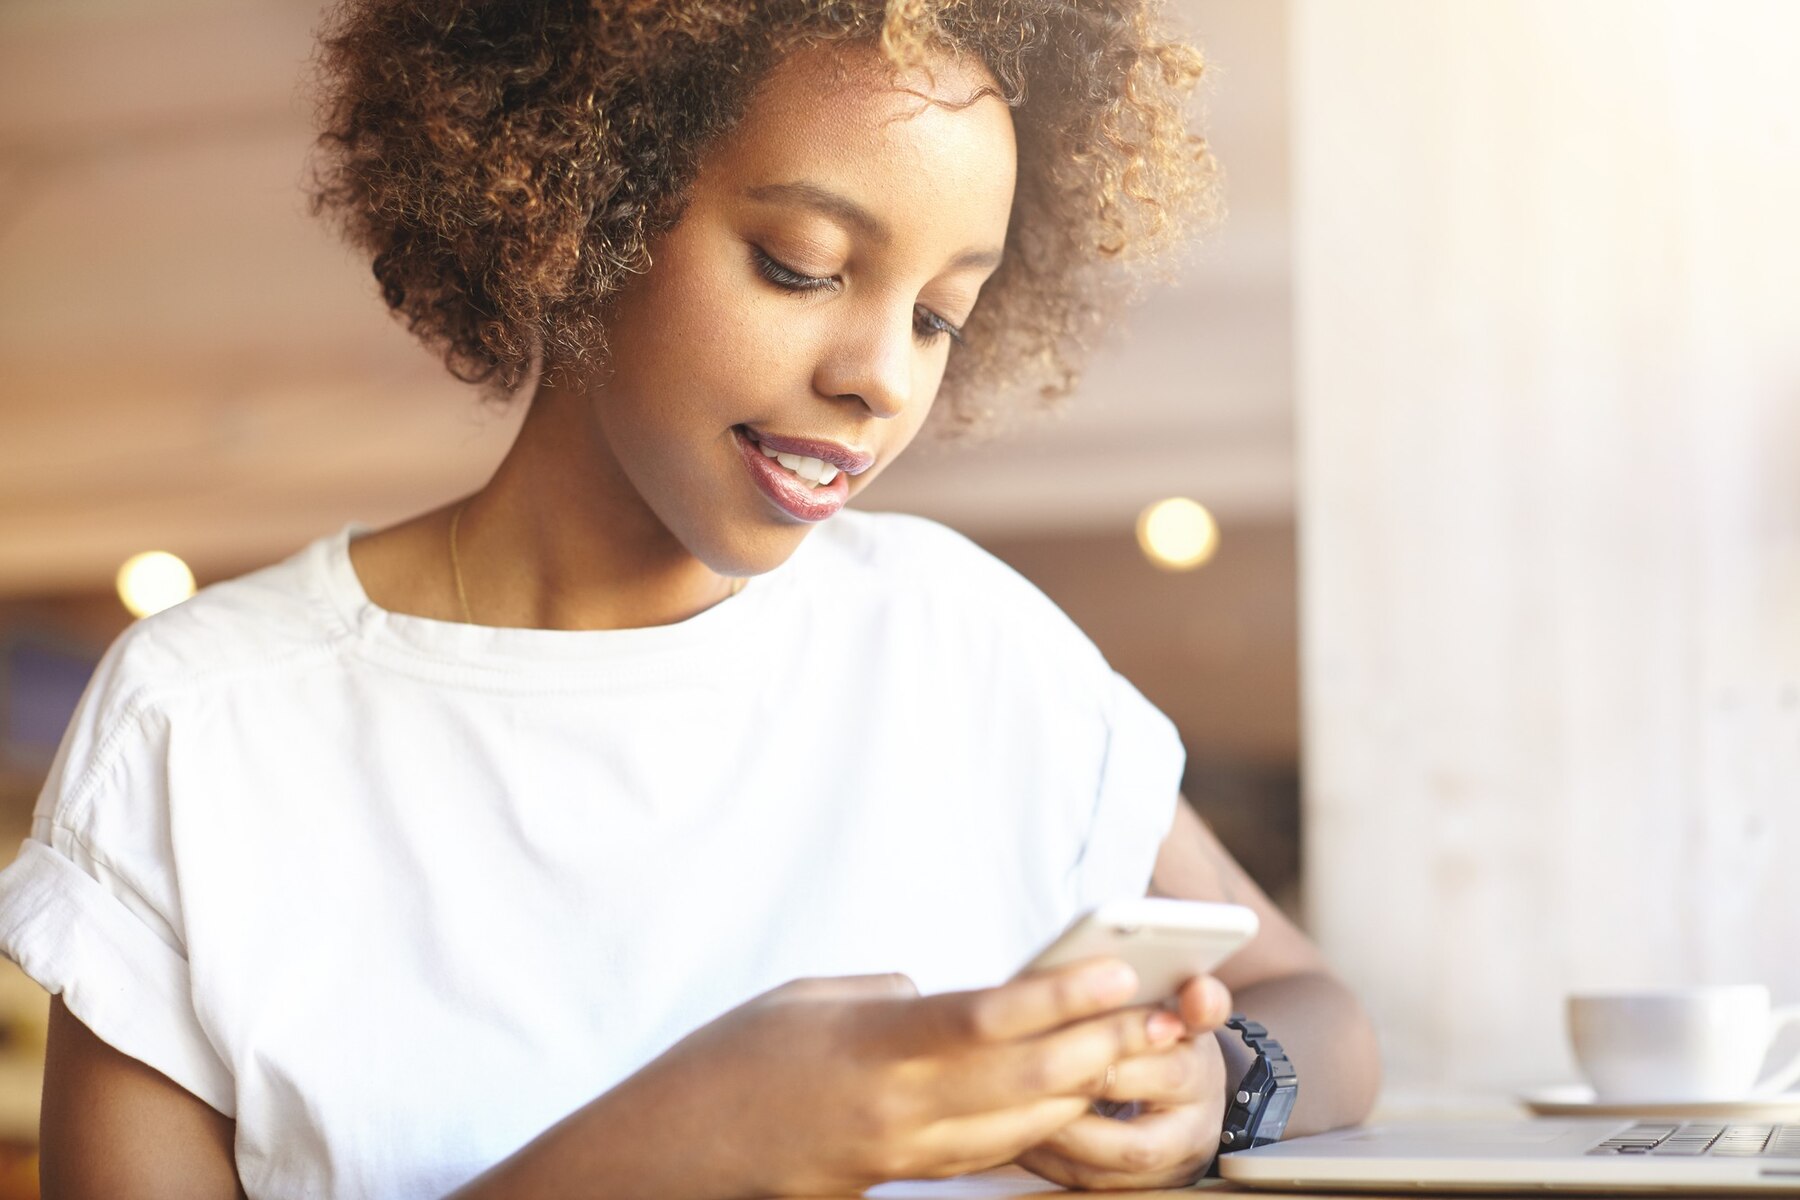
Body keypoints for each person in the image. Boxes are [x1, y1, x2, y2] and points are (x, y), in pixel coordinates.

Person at [0, 2, 1380, 1197]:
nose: (882, 377)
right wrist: (687, 1144)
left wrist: (1223, 1086)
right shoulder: (202, 732)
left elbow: (1322, 1017)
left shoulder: (963, 642)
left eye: (937, 315)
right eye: (802, 266)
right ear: (565, 206)